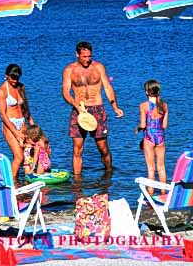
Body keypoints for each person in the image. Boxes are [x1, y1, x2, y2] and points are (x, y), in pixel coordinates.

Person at [62, 41, 124, 175]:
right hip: (79, 110)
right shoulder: (69, 70)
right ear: (77, 54)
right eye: (84, 57)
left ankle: (108, 174)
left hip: (97, 109)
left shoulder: (98, 67)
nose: (87, 59)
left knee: (103, 148)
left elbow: (107, 87)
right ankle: (77, 182)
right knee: (77, 149)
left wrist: (115, 107)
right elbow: (66, 92)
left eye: (89, 56)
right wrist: (76, 106)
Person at [0, 64, 34, 178]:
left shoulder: (20, 87)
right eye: (12, 78)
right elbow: (3, 115)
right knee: (19, 157)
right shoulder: (3, 90)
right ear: (6, 76)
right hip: (10, 124)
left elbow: (25, 107)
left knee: (27, 153)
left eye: (17, 78)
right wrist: (16, 132)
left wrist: (32, 123)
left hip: (22, 122)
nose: (14, 81)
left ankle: (21, 181)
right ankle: (12, 184)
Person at [136, 79, 168, 195]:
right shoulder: (164, 105)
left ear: (146, 92)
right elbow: (164, 125)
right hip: (160, 138)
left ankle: (150, 194)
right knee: (161, 167)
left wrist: (138, 128)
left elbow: (144, 125)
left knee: (151, 168)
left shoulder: (144, 106)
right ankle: (164, 193)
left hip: (149, 137)